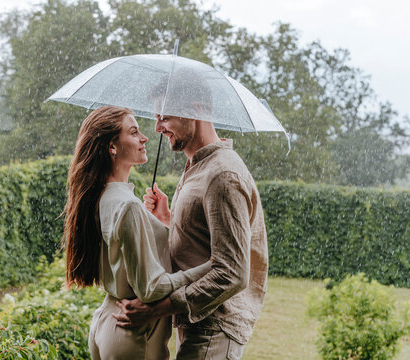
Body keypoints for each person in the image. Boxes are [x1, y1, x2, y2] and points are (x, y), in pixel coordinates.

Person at [113, 69, 268, 360]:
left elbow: (232, 272)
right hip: (199, 325)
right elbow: (207, 242)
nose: (157, 127)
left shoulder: (222, 174)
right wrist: (168, 221)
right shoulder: (198, 166)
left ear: (194, 110)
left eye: (165, 117)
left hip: (214, 328)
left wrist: (157, 309)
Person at [63, 106, 211, 360]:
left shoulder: (103, 196)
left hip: (107, 321)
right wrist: (207, 268)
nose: (144, 138)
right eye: (134, 132)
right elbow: (151, 288)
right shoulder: (128, 205)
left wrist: (160, 220)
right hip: (133, 334)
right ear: (112, 147)